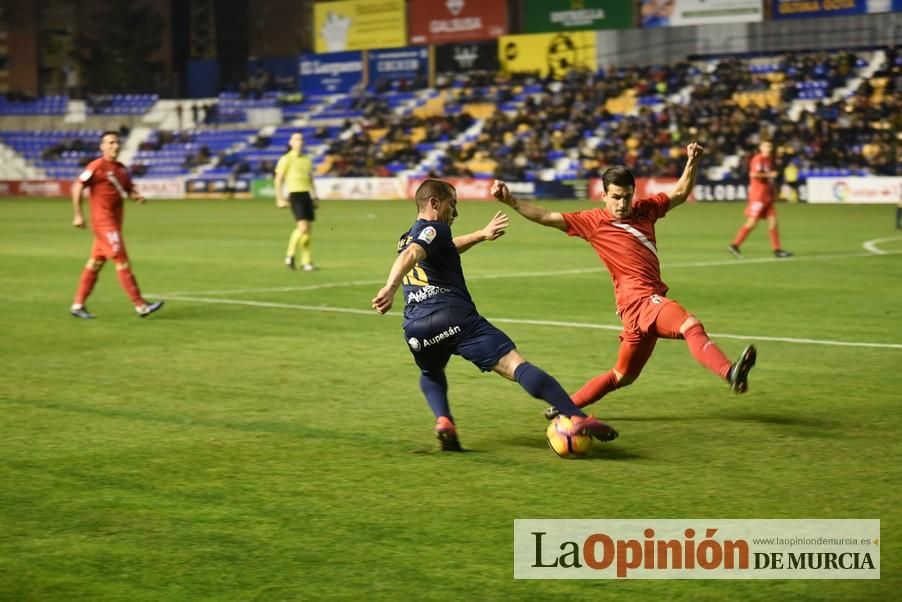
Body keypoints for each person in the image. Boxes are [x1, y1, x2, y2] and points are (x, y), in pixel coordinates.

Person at [491, 143, 757, 421]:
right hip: (640, 301)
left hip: (637, 310)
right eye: (616, 197)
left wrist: (692, 161)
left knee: (622, 376)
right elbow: (546, 217)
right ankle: (729, 371)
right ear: (604, 195)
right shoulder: (592, 221)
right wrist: (511, 201)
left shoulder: (647, 209)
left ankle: (563, 406)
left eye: (627, 197)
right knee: (690, 325)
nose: (622, 204)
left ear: (634, 194)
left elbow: (679, 193)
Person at [371, 179, 618, 451]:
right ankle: (576, 415)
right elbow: (414, 253)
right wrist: (390, 287)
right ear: (434, 203)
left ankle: (444, 420)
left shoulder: (409, 236)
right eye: (452, 205)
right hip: (454, 316)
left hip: (417, 328)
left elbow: (442, 247)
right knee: (516, 365)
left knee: (430, 372)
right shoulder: (432, 230)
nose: (455, 213)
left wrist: (480, 234)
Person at [70, 131, 164, 319]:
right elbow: (78, 186)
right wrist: (78, 215)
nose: (115, 145)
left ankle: (77, 305)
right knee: (121, 261)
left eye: (117, 142)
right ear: (102, 146)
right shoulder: (96, 166)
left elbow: (128, 189)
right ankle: (140, 306)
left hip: (114, 222)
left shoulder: (121, 169)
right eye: (110, 142)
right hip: (104, 223)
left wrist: (136, 195)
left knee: (95, 262)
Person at [728, 141, 793, 258]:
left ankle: (777, 250)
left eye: (770, 146)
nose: (768, 148)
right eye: (766, 146)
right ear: (760, 147)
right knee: (752, 222)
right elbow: (753, 174)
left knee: (773, 221)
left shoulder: (769, 160)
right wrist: (770, 175)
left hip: (767, 196)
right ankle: (734, 245)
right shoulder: (758, 159)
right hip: (758, 196)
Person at [274, 132, 319, 271]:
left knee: (308, 231)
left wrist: (315, 196)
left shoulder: (306, 159)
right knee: (303, 227)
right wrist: (279, 198)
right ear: (291, 143)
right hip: (295, 194)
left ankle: (306, 262)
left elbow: (310, 179)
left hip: (306, 194)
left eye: (301, 139)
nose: (300, 142)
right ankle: (290, 255)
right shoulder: (285, 159)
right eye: (296, 139)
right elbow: (278, 179)